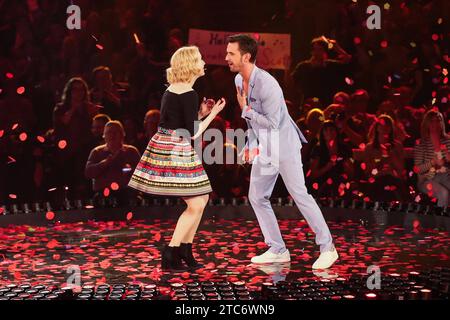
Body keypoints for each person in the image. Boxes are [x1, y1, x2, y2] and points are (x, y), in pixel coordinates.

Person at [226, 34, 338, 270]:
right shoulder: (238, 80)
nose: (226, 57)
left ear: (246, 56)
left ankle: (328, 247)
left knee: (300, 195)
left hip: (284, 146)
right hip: (265, 146)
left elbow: (273, 122)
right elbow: (253, 123)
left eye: (231, 53)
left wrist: (245, 110)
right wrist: (250, 143)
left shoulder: (268, 84)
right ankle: (277, 248)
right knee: (257, 196)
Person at [128, 46, 226, 271]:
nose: (203, 62)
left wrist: (200, 113)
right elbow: (193, 132)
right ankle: (171, 252)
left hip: (172, 144)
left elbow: (182, 122)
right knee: (195, 203)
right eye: (200, 59)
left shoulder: (176, 89)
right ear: (190, 64)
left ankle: (185, 249)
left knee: (201, 199)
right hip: (175, 148)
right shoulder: (188, 92)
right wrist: (213, 114)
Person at [85, 121, 141, 205]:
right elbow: (88, 173)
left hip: (127, 193)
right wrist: (104, 163)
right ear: (104, 135)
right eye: (109, 132)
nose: (112, 135)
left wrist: (131, 170)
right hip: (103, 194)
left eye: (116, 132)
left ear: (123, 134)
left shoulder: (131, 151)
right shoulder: (97, 152)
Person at [414, 110, 450, 207]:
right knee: (444, 193)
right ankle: (441, 222)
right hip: (427, 179)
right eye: (432, 121)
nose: (436, 124)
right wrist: (433, 162)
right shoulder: (421, 143)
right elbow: (418, 169)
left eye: (438, 120)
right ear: (427, 124)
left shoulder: (448, 140)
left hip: (445, 176)